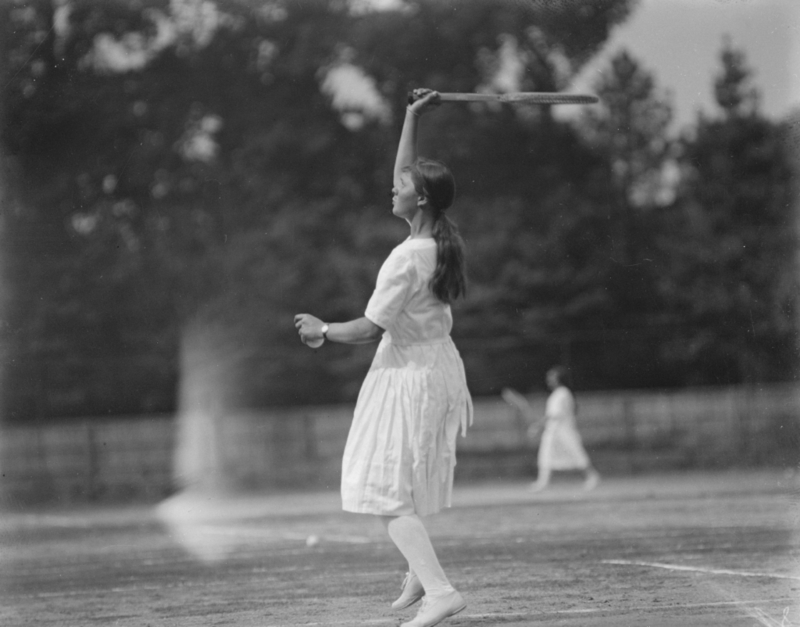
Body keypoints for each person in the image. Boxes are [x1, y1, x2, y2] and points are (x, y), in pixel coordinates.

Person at [294, 88, 472, 627]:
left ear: (419, 200)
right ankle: (421, 572)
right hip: (434, 368)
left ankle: (440, 590)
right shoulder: (436, 239)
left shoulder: (405, 259)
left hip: (409, 375)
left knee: (380, 489)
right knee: (396, 482)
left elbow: (369, 329)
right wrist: (412, 116)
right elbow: (406, 171)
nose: (390, 187)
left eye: (401, 187)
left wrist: (321, 329)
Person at [503, 366, 600, 492]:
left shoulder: (562, 393)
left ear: (559, 379)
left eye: (551, 377)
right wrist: (539, 426)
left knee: (576, 453)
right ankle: (542, 482)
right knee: (546, 455)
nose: (548, 380)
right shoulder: (558, 393)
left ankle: (592, 477)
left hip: (564, 430)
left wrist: (537, 426)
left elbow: (553, 415)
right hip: (554, 431)